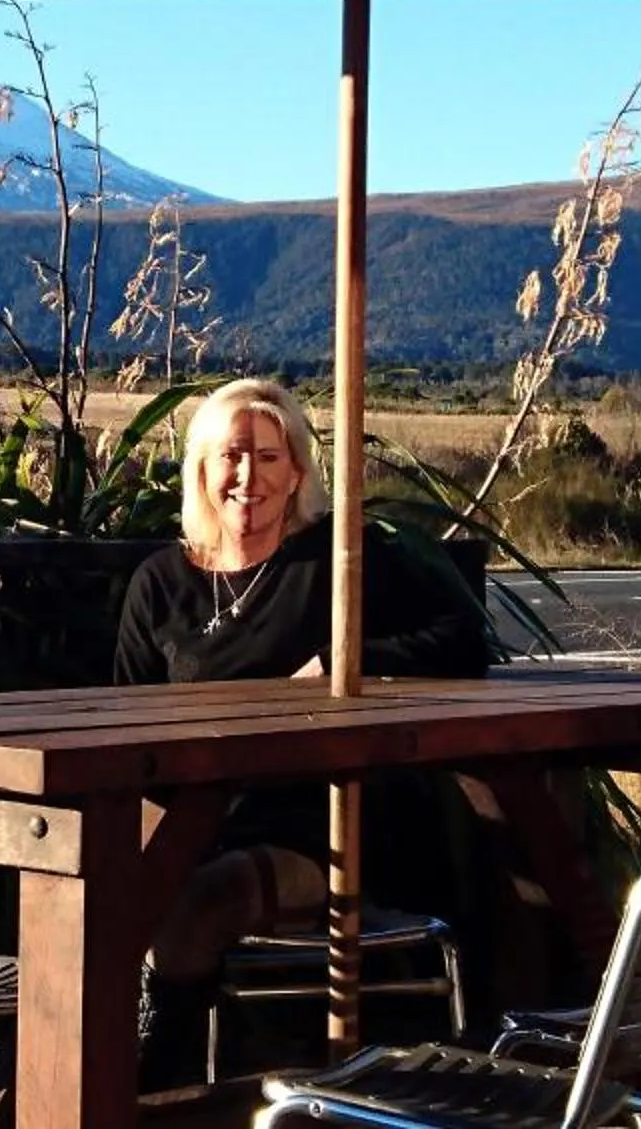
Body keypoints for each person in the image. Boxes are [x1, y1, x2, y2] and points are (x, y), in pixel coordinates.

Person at [116, 376, 491, 1076]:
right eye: (231, 455)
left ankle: (156, 1095)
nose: (247, 476)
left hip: (316, 829)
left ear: (296, 473)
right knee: (97, 894)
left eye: (269, 455)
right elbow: (127, 717)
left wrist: (346, 663)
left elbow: (463, 640)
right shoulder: (159, 584)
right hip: (185, 818)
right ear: (201, 468)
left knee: (197, 907)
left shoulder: (338, 565)